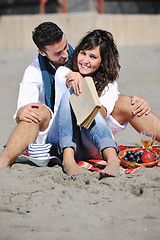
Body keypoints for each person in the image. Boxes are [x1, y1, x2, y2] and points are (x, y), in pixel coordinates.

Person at [0, 22, 154, 169]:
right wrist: (21, 111)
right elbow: (26, 108)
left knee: (129, 103)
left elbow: (106, 102)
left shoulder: (87, 64)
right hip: (56, 131)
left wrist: (137, 100)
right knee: (38, 109)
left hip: (90, 136)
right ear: (42, 52)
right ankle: (4, 161)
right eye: (58, 53)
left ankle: (110, 158)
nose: (66, 55)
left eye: (66, 47)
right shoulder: (37, 72)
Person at [45, 29, 160, 177]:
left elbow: (100, 114)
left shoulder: (109, 86)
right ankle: (68, 161)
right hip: (60, 140)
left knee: (88, 103)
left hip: (88, 144)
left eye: (93, 57)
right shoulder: (63, 72)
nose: (85, 61)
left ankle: (112, 160)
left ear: (102, 62)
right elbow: (64, 114)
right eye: (83, 53)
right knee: (71, 94)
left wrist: (87, 89)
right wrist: (77, 81)